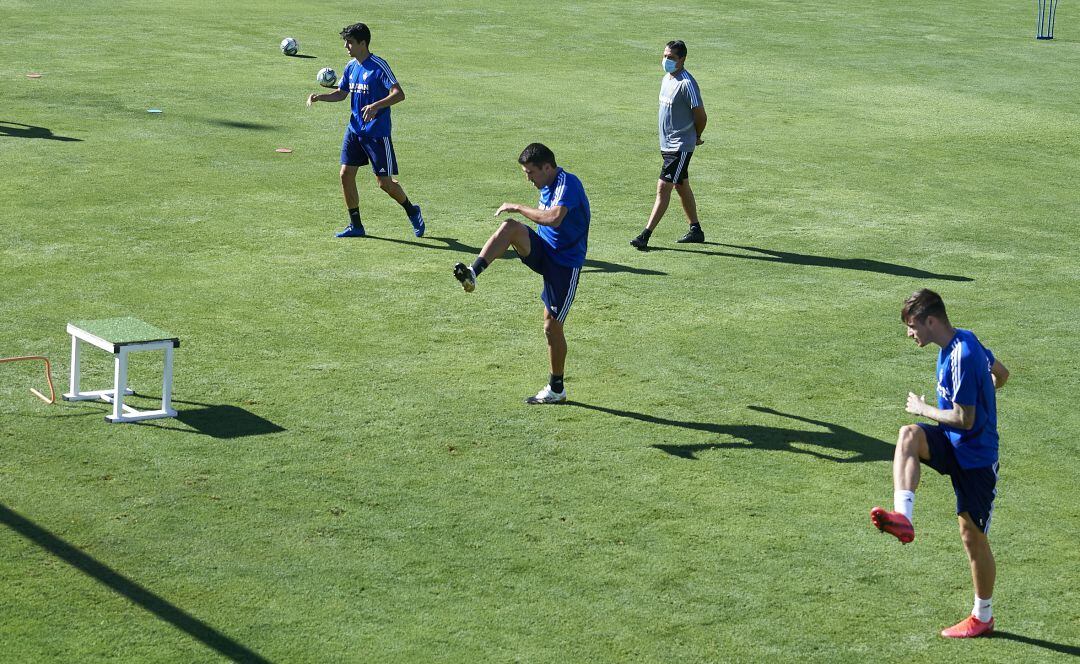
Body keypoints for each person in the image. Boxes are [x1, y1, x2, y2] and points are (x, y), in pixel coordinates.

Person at [871, 289, 1010, 639]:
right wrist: (985, 389)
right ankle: (903, 516)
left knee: (972, 537)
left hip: (976, 458)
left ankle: (983, 616)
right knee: (908, 437)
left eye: (912, 325)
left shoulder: (963, 353)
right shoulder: (962, 342)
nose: (909, 333)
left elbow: (964, 419)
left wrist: (924, 409)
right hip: (952, 443)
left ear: (931, 321)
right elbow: (1002, 374)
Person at [453, 143, 590, 405]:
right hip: (543, 250)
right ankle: (473, 272)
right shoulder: (546, 182)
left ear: (547, 167)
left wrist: (517, 206)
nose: (527, 178)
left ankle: (556, 389)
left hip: (564, 264)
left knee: (552, 326)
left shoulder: (568, 184)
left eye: (530, 172)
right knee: (510, 228)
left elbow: (554, 219)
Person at [306, 22, 424, 238]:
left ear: (363, 43)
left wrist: (376, 106)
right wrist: (320, 97)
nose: (346, 46)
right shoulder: (351, 67)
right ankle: (356, 225)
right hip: (355, 131)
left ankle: (411, 209)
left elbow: (399, 94)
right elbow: (342, 93)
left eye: (349, 42)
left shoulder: (379, 66)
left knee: (384, 184)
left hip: (377, 134)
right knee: (345, 174)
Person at [630, 40, 707, 250]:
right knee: (681, 185)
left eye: (671, 58)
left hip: (680, 146)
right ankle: (696, 230)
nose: (666, 61)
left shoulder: (687, 84)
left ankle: (645, 235)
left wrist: (696, 136)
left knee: (664, 187)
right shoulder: (667, 78)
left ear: (682, 59)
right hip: (667, 145)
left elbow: (701, 115)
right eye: (665, 56)